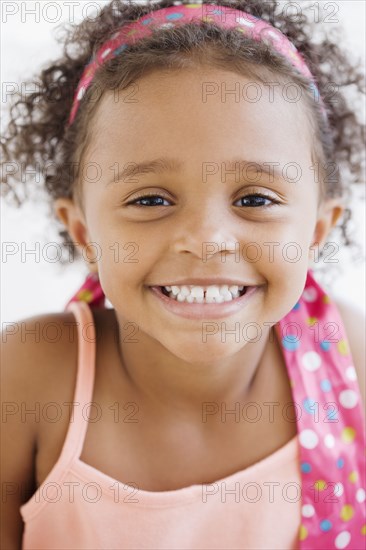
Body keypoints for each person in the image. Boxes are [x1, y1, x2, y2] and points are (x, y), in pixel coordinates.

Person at [1, 1, 365, 548]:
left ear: (316, 230)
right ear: (83, 234)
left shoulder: (351, 363)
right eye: (150, 198)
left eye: (255, 198)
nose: (205, 239)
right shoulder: (27, 379)